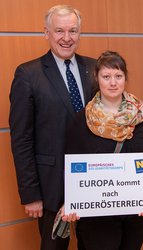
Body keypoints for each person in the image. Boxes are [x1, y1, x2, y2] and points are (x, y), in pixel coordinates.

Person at [9, 5, 96, 249]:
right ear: (46, 33)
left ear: (80, 33)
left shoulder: (95, 68)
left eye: (73, 31)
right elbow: (21, 139)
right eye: (59, 31)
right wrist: (31, 194)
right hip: (51, 187)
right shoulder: (28, 74)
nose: (66, 38)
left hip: (95, 183)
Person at [61, 51, 143, 250]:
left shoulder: (140, 115)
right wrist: (71, 201)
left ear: (125, 78)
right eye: (106, 77)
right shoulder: (82, 120)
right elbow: (70, 167)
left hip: (134, 210)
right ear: (97, 79)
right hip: (97, 215)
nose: (113, 83)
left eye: (118, 76)